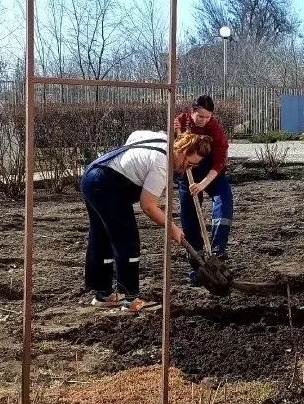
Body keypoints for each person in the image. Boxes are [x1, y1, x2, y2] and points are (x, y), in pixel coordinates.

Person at [81, 131, 211, 312]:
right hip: (106, 185)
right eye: (189, 163)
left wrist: (134, 165)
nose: (187, 169)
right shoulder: (162, 164)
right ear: (182, 150)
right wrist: (172, 228)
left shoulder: (164, 138)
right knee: (127, 238)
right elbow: (148, 206)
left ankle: (103, 294)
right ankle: (130, 299)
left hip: (92, 176)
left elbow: (134, 135)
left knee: (102, 234)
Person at [174, 95, 233, 260]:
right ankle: (196, 259)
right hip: (187, 171)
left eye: (208, 117)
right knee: (189, 212)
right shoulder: (180, 122)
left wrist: (203, 184)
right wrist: (173, 132)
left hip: (212, 171)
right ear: (192, 111)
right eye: (200, 116)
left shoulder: (215, 129)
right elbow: (175, 149)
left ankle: (217, 250)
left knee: (224, 201)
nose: (204, 120)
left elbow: (220, 161)